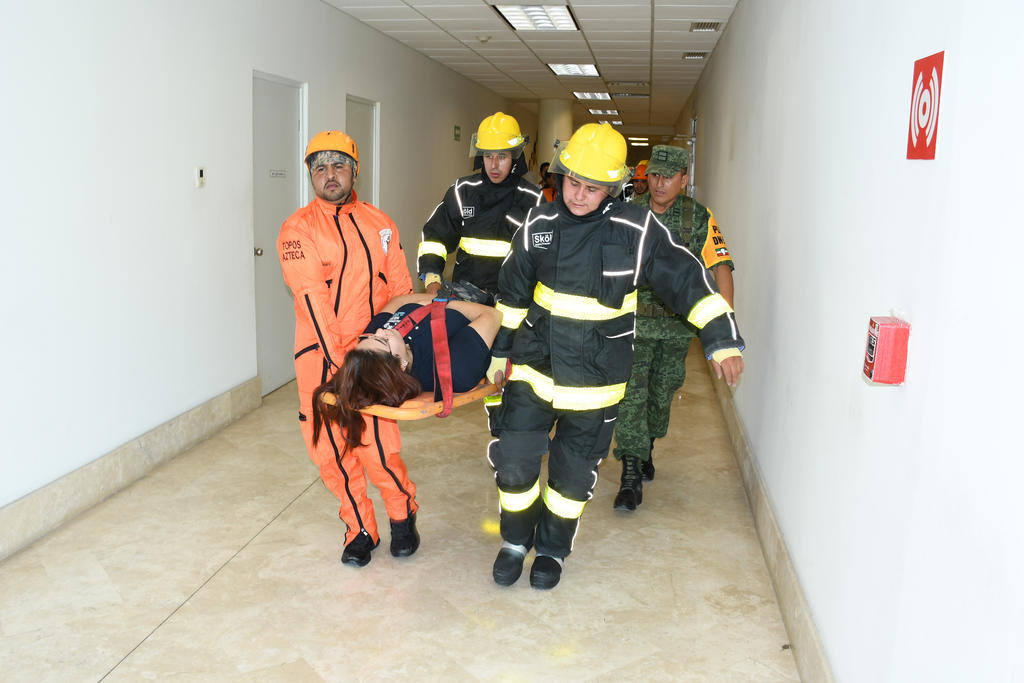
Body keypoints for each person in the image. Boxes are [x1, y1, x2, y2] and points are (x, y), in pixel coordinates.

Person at [485, 124, 745, 589]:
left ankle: (552, 549)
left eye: (592, 187)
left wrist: (721, 337)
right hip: (535, 369)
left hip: (596, 380)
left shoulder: (636, 229)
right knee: (515, 462)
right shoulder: (539, 224)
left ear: (614, 187)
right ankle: (515, 541)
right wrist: (499, 353)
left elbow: (687, 279)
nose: (579, 195)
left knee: (571, 478)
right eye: (573, 182)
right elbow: (512, 296)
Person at [277, 130, 418, 569]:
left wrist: (391, 350)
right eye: (319, 167)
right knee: (330, 453)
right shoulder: (297, 230)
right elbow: (313, 302)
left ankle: (402, 515)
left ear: (355, 171)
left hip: (373, 358)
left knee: (378, 448)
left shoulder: (381, 224)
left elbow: (402, 293)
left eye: (338, 165)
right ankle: (359, 528)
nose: (329, 174)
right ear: (311, 176)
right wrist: (343, 364)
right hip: (319, 361)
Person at [610, 145, 736, 511]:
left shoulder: (699, 218)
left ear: (684, 179)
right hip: (633, 325)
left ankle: (646, 444)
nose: (659, 183)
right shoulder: (629, 214)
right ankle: (630, 471)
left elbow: (721, 269)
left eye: (668, 176)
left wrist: (722, 330)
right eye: (654, 175)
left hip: (677, 329)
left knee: (661, 395)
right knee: (631, 395)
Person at [311, 293, 502, 444]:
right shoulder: (454, 370)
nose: (379, 331)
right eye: (382, 340)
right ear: (400, 365)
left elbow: (398, 302)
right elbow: (493, 316)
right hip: (496, 299)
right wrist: (442, 302)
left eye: (372, 337)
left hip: (463, 292)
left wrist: (438, 298)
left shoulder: (374, 346)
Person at [417, 112, 543, 301]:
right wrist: (432, 280)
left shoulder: (533, 199)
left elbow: (542, 259)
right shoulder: (463, 191)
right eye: (488, 156)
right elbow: (434, 239)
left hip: (512, 300)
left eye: (502, 156)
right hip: (465, 295)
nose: (494, 165)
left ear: (515, 155)